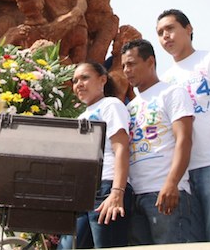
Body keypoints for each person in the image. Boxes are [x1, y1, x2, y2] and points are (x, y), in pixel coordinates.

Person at [156, 9, 210, 242]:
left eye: (170, 28)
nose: (165, 36)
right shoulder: (165, 80)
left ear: (188, 29)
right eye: (160, 33)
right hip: (182, 175)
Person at [122, 39, 193, 244]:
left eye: (131, 64)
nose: (126, 70)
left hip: (165, 192)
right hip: (136, 196)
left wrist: (171, 183)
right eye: (124, 66)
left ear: (150, 62)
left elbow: (184, 139)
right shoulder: (130, 107)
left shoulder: (172, 93)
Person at [59, 62, 132, 248]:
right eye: (75, 81)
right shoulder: (81, 117)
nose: (79, 84)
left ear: (102, 80)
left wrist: (117, 192)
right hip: (83, 193)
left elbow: (121, 147)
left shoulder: (111, 105)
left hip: (107, 187)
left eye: (84, 78)